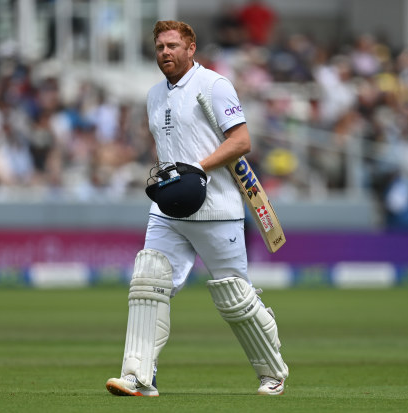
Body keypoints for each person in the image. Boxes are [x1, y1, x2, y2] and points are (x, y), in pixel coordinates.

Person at [105, 20, 288, 397]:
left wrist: (198, 168)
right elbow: (164, 148)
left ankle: (273, 372)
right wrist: (169, 181)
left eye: (172, 46)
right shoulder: (154, 94)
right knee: (147, 283)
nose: (165, 53)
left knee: (235, 296)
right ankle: (139, 375)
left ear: (191, 48)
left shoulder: (215, 86)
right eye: (159, 48)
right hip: (169, 208)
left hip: (217, 208)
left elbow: (241, 140)